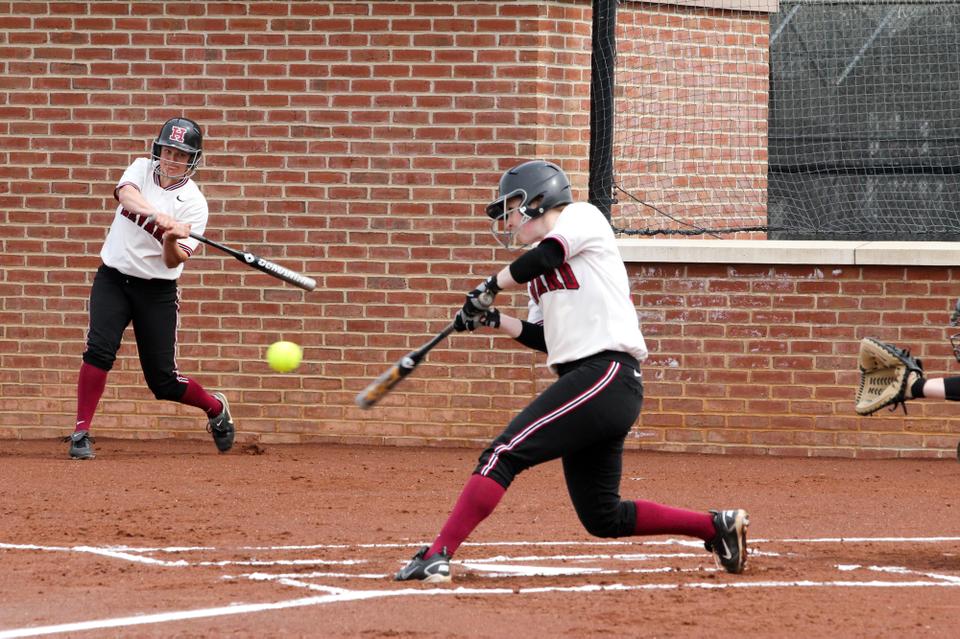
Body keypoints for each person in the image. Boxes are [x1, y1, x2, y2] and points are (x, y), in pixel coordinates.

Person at [395, 159, 750, 583]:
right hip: (592, 385)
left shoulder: (581, 217)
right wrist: (492, 320)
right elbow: (546, 338)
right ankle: (715, 527)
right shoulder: (536, 277)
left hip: (605, 373)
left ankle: (438, 554)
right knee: (603, 515)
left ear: (538, 199)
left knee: (503, 455)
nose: (508, 221)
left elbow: (549, 255)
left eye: (512, 209)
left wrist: (489, 287)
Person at [63, 116, 234, 460]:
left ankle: (215, 408)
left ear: (192, 160)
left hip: (156, 291)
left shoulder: (194, 204)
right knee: (99, 350)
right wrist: (158, 216)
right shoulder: (141, 169)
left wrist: (171, 238)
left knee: (163, 381)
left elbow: (173, 262)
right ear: (158, 150)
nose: (172, 159)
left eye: (180, 154)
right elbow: (126, 196)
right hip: (113, 278)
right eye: (167, 151)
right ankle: (81, 432)